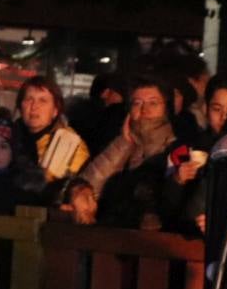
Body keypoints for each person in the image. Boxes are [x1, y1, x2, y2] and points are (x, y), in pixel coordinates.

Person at [67, 77, 178, 228]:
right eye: (137, 103)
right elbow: (91, 184)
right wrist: (124, 142)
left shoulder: (176, 149)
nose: (144, 110)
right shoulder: (124, 144)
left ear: (167, 109)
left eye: (153, 103)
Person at [12, 75, 90, 204]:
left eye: (43, 100)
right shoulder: (6, 138)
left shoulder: (71, 145)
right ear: (20, 106)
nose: (34, 106)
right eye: (29, 99)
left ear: (55, 110)